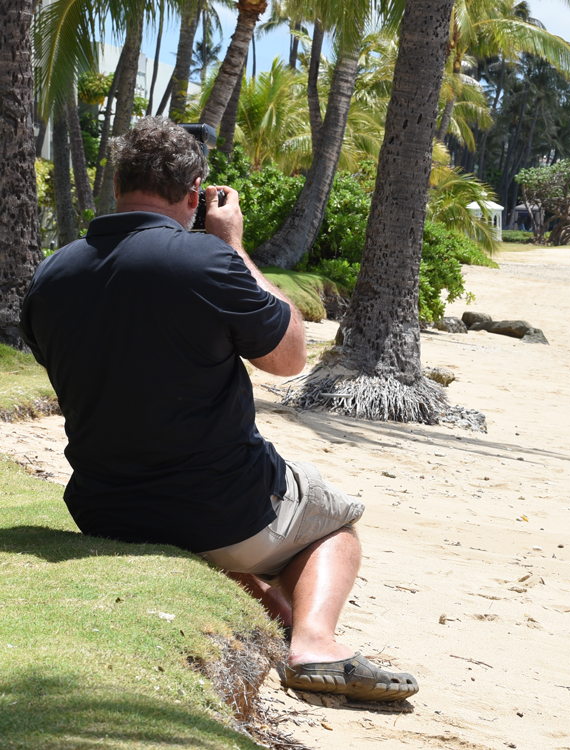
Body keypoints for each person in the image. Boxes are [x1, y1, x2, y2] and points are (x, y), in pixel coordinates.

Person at [18, 117, 418, 702]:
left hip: (105, 507)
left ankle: (280, 618)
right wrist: (232, 244)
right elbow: (288, 358)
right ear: (193, 194)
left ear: (117, 185)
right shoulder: (205, 260)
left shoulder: (52, 273)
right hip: (220, 507)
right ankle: (314, 644)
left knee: (230, 543)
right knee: (336, 524)